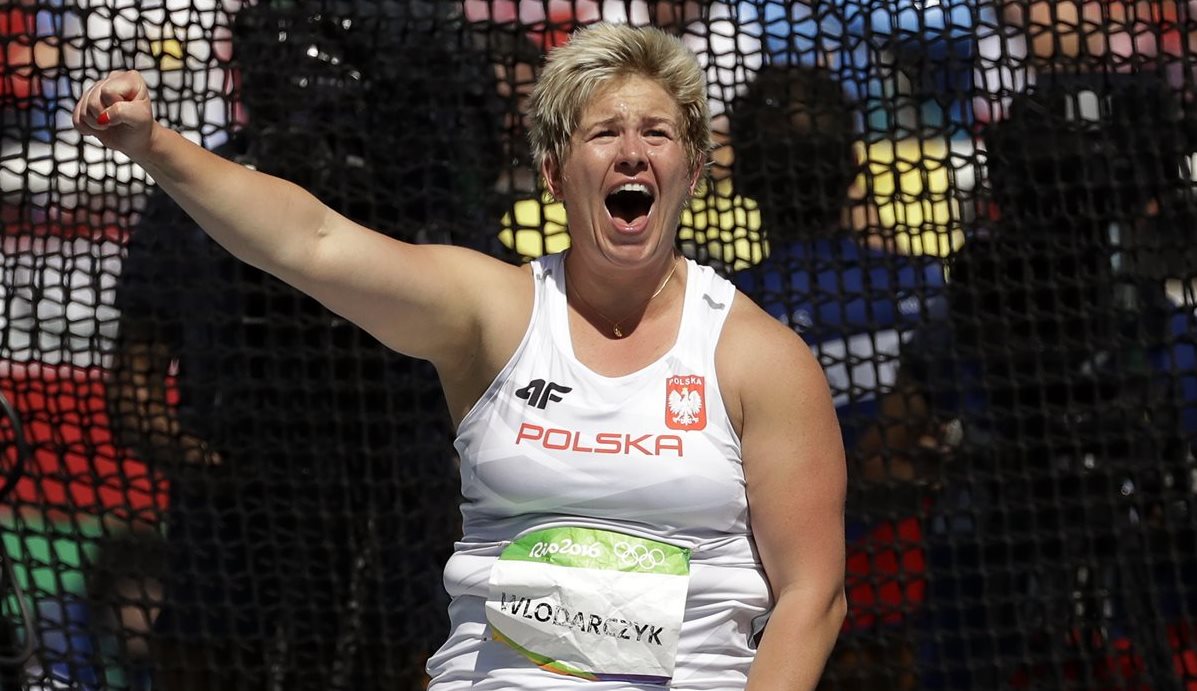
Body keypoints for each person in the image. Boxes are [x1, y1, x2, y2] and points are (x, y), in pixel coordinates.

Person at [78, 20, 847, 690]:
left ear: (693, 170)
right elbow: (312, 240)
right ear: (553, 173)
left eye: (656, 133)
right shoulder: (495, 315)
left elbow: (811, 594)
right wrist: (154, 144)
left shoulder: (757, 356)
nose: (631, 153)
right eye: (602, 133)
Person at [104, 2, 495, 689]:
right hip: (232, 545)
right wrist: (227, 477)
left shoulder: (424, 200)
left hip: (390, 529)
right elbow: (134, 390)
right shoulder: (200, 191)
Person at [859, 72, 1197, 689]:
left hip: (1086, 628)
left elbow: (884, 462)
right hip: (999, 625)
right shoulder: (976, 325)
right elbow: (884, 466)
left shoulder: (1154, 335)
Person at [729, 63, 946, 690]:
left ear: (744, 176)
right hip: (919, 588)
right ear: (854, 163)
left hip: (776, 601)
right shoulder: (925, 290)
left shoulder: (726, 315)